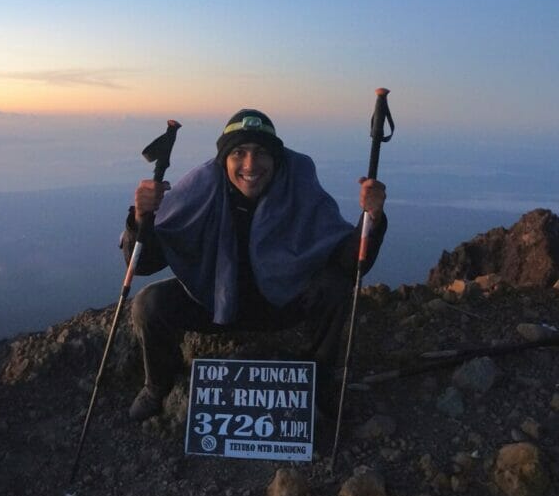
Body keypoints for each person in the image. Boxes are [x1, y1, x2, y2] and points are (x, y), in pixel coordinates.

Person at [120, 109, 387, 421]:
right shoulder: (201, 191)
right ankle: (158, 386)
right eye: (238, 153)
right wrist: (141, 217)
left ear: (276, 159)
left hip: (281, 303)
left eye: (261, 153)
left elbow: (350, 263)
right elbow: (143, 263)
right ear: (224, 160)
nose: (250, 165)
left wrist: (372, 218)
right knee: (148, 304)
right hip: (213, 304)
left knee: (336, 287)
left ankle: (318, 383)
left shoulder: (298, 189)